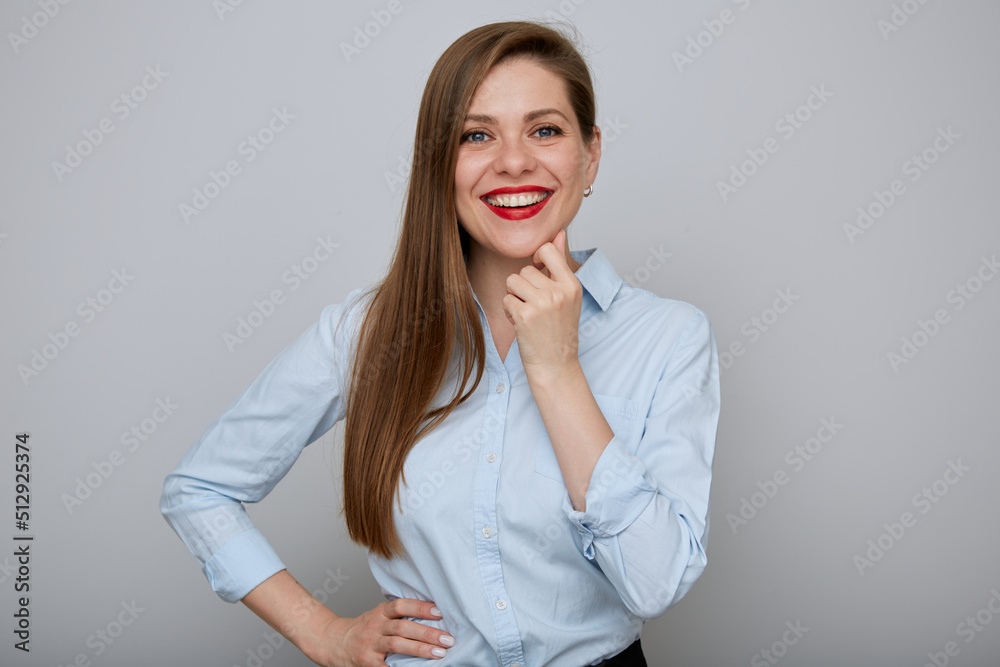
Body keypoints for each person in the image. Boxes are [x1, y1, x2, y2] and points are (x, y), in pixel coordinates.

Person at [160, 19, 720, 667]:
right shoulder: (366, 332)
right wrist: (322, 630)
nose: (514, 160)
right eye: (476, 135)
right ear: (439, 162)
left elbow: (654, 582)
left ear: (590, 154)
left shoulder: (669, 337)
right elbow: (199, 488)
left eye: (545, 130)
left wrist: (558, 369)